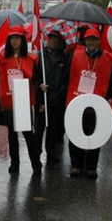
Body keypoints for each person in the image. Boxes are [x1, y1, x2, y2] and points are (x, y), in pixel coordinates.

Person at [65, 28, 112, 177]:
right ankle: (76, 164)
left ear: (99, 41)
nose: (91, 42)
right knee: (75, 135)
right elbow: (67, 76)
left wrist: (104, 98)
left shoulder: (107, 58)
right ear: (85, 41)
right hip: (76, 102)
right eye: (88, 39)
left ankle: (91, 166)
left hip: (97, 105)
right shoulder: (75, 55)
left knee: (95, 135)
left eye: (94, 39)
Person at [0, 25, 42, 176]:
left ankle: (36, 163)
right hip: (8, 101)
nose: (15, 41)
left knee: (29, 134)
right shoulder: (3, 60)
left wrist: (40, 99)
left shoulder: (31, 59)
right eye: (12, 39)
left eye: (17, 38)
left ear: (22, 40)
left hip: (24, 102)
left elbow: (36, 81)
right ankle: (15, 163)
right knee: (12, 135)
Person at [35, 30, 68, 163]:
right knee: (39, 129)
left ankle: (51, 152)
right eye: (51, 38)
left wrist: (56, 97)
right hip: (42, 100)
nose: (53, 41)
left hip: (57, 101)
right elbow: (34, 77)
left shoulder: (64, 59)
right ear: (47, 40)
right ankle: (36, 152)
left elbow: (65, 81)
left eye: (56, 39)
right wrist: (39, 88)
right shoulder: (39, 57)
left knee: (53, 129)